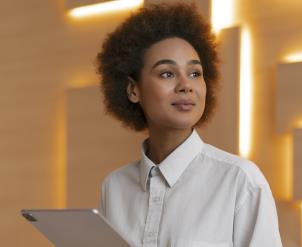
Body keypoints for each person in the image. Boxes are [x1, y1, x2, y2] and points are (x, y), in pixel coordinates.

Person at [96, 2, 283, 247]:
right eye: (167, 73)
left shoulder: (240, 181)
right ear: (133, 90)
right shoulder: (114, 187)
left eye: (195, 73)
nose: (186, 85)